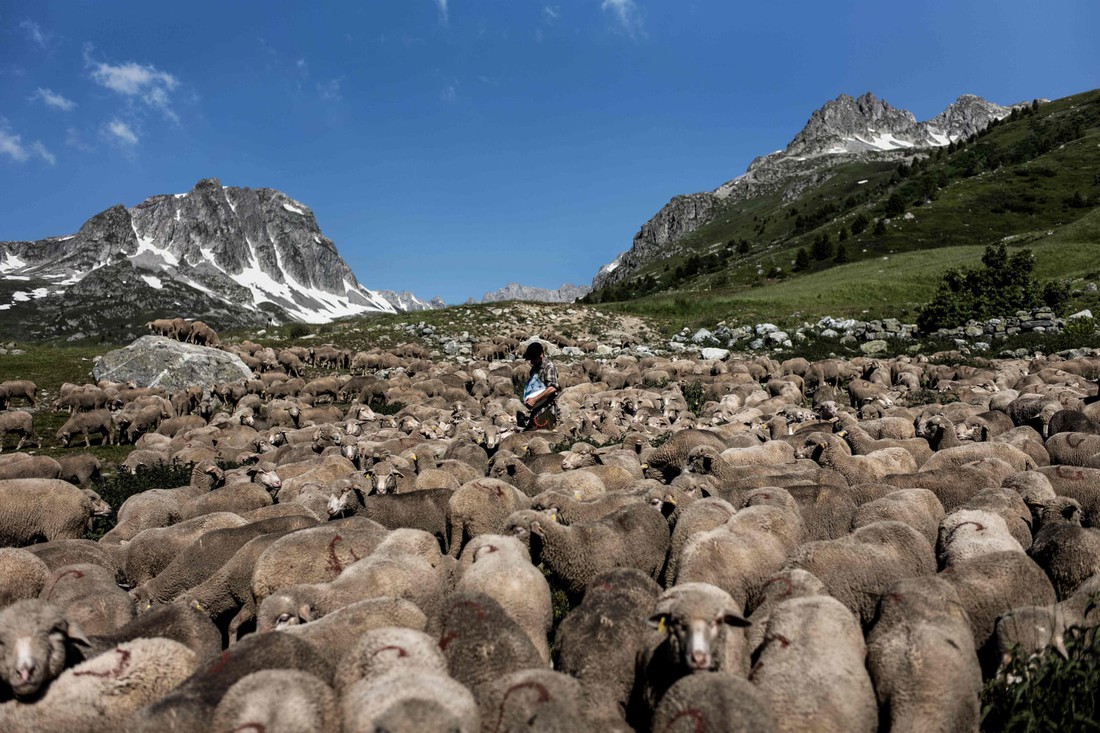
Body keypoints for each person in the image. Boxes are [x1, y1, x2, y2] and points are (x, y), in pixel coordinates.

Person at [517, 341, 558, 430]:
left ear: (541, 355)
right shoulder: (534, 369)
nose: (531, 361)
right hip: (535, 410)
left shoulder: (549, 367)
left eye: (533, 358)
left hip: (546, 410)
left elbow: (552, 388)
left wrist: (535, 400)